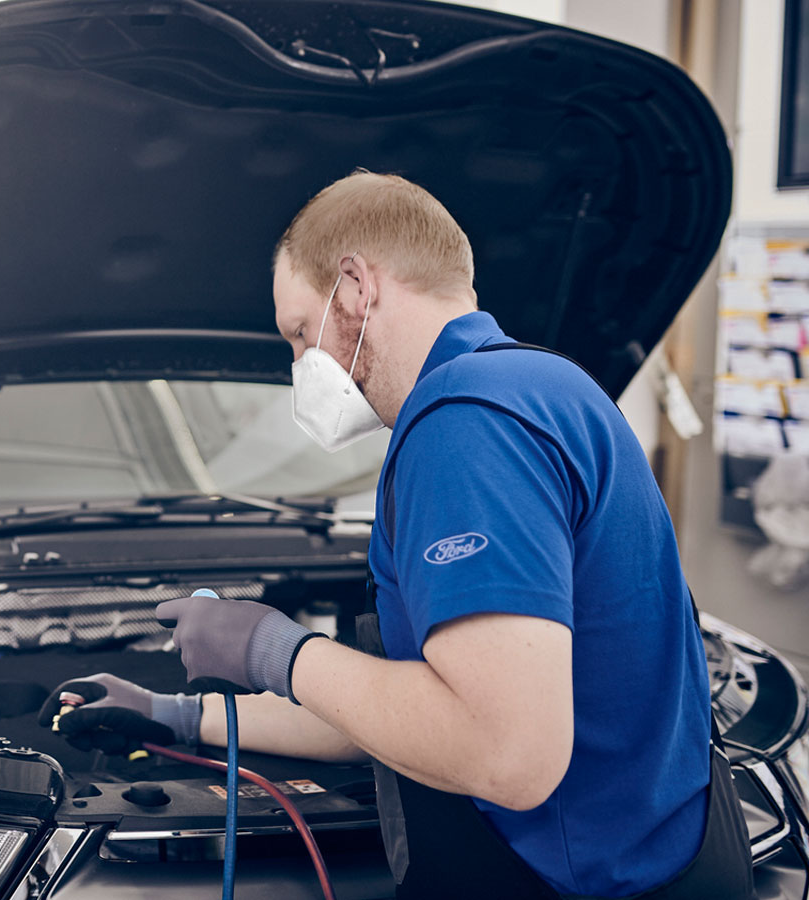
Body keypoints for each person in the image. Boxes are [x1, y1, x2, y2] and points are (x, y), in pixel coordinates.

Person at [43, 172, 752, 899]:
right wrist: (176, 716)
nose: (298, 366)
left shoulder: (462, 425)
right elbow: (411, 712)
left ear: (354, 287)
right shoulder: (547, 387)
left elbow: (506, 755)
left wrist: (270, 647)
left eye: (298, 333)